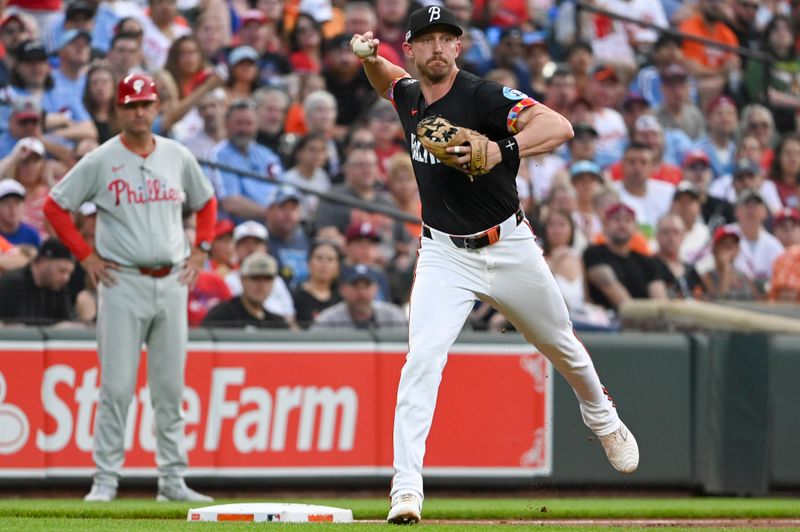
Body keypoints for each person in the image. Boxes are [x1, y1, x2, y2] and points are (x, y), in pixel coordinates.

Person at [351, 7, 640, 524]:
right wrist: (372, 58)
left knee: (562, 345)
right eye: (427, 40)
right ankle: (406, 488)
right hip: (443, 253)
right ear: (412, 50)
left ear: (458, 49)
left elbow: (559, 126)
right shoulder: (411, 98)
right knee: (422, 360)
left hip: (508, 245)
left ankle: (602, 415)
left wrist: (504, 149)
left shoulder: (481, 96)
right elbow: (387, 82)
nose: (438, 47)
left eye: (447, 38)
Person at [42, 73, 217, 503]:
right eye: (131, 105)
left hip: (172, 278)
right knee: (117, 387)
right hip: (122, 280)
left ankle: (173, 480)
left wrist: (201, 252)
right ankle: (105, 479)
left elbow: (207, 201)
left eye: (146, 103)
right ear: (118, 110)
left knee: (171, 388)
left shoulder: (176, 155)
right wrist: (85, 255)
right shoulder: (102, 159)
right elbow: (55, 205)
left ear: (157, 107)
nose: (140, 111)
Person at [583, 203, 668, 311]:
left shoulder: (647, 261)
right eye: (617, 220)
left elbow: (661, 302)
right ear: (605, 225)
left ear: (635, 227)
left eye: (628, 220)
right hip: (608, 323)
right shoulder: (594, 253)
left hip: (649, 323)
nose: (622, 224)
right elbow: (609, 286)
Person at [203, 251, 289, 329]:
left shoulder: (277, 324)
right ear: (242, 280)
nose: (261, 284)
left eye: (267, 278)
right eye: (255, 277)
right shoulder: (222, 316)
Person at [0, 238, 75, 325]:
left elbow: (66, 321)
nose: (66, 278)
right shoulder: (12, 284)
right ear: (43, 261)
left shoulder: (58, 287)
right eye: (62, 271)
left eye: (69, 273)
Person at [310, 263, 407, 330]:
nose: (361, 292)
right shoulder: (328, 320)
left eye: (366, 286)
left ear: (376, 289)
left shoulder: (393, 316)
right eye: (355, 286)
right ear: (342, 289)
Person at [291, 239, 343, 328]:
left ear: (338, 268)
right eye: (319, 258)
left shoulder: (341, 299)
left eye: (330, 259)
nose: (324, 263)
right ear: (308, 263)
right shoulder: (295, 297)